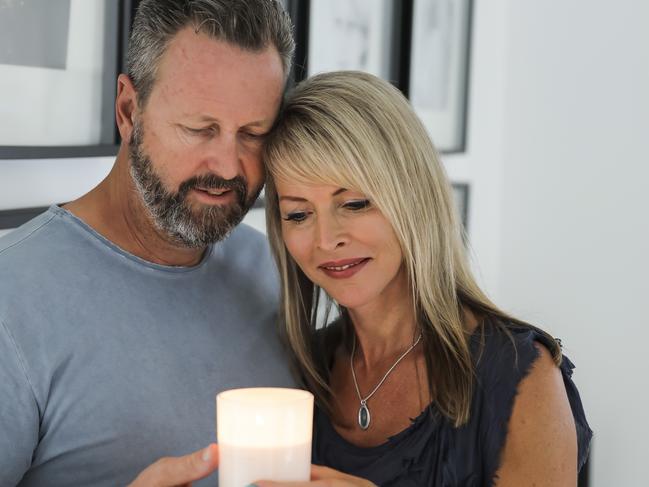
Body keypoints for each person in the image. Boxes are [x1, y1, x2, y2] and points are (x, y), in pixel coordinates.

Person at [134, 71, 592, 486]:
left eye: (354, 204)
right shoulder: (300, 374)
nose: (326, 239)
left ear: (412, 198)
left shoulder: (521, 377)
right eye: (298, 213)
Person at [0, 1, 297, 486]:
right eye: (200, 129)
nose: (226, 166)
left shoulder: (277, 272)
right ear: (127, 110)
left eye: (252, 134)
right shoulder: (11, 303)